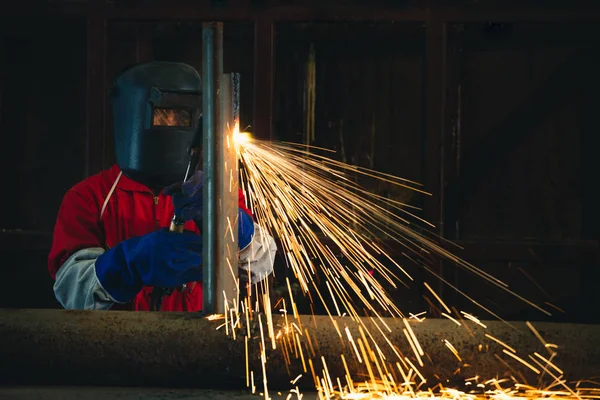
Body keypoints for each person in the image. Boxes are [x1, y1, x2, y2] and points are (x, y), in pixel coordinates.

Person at [48, 61, 276, 311]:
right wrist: (129, 264)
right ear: (131, 116)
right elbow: (71, 292)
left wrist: (232, 222)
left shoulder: (211, 194)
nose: (170, 124)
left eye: (180, 115)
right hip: (116, 342)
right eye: (160, 114)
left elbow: (261, 265)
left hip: (200, 340)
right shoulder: (89, 197)